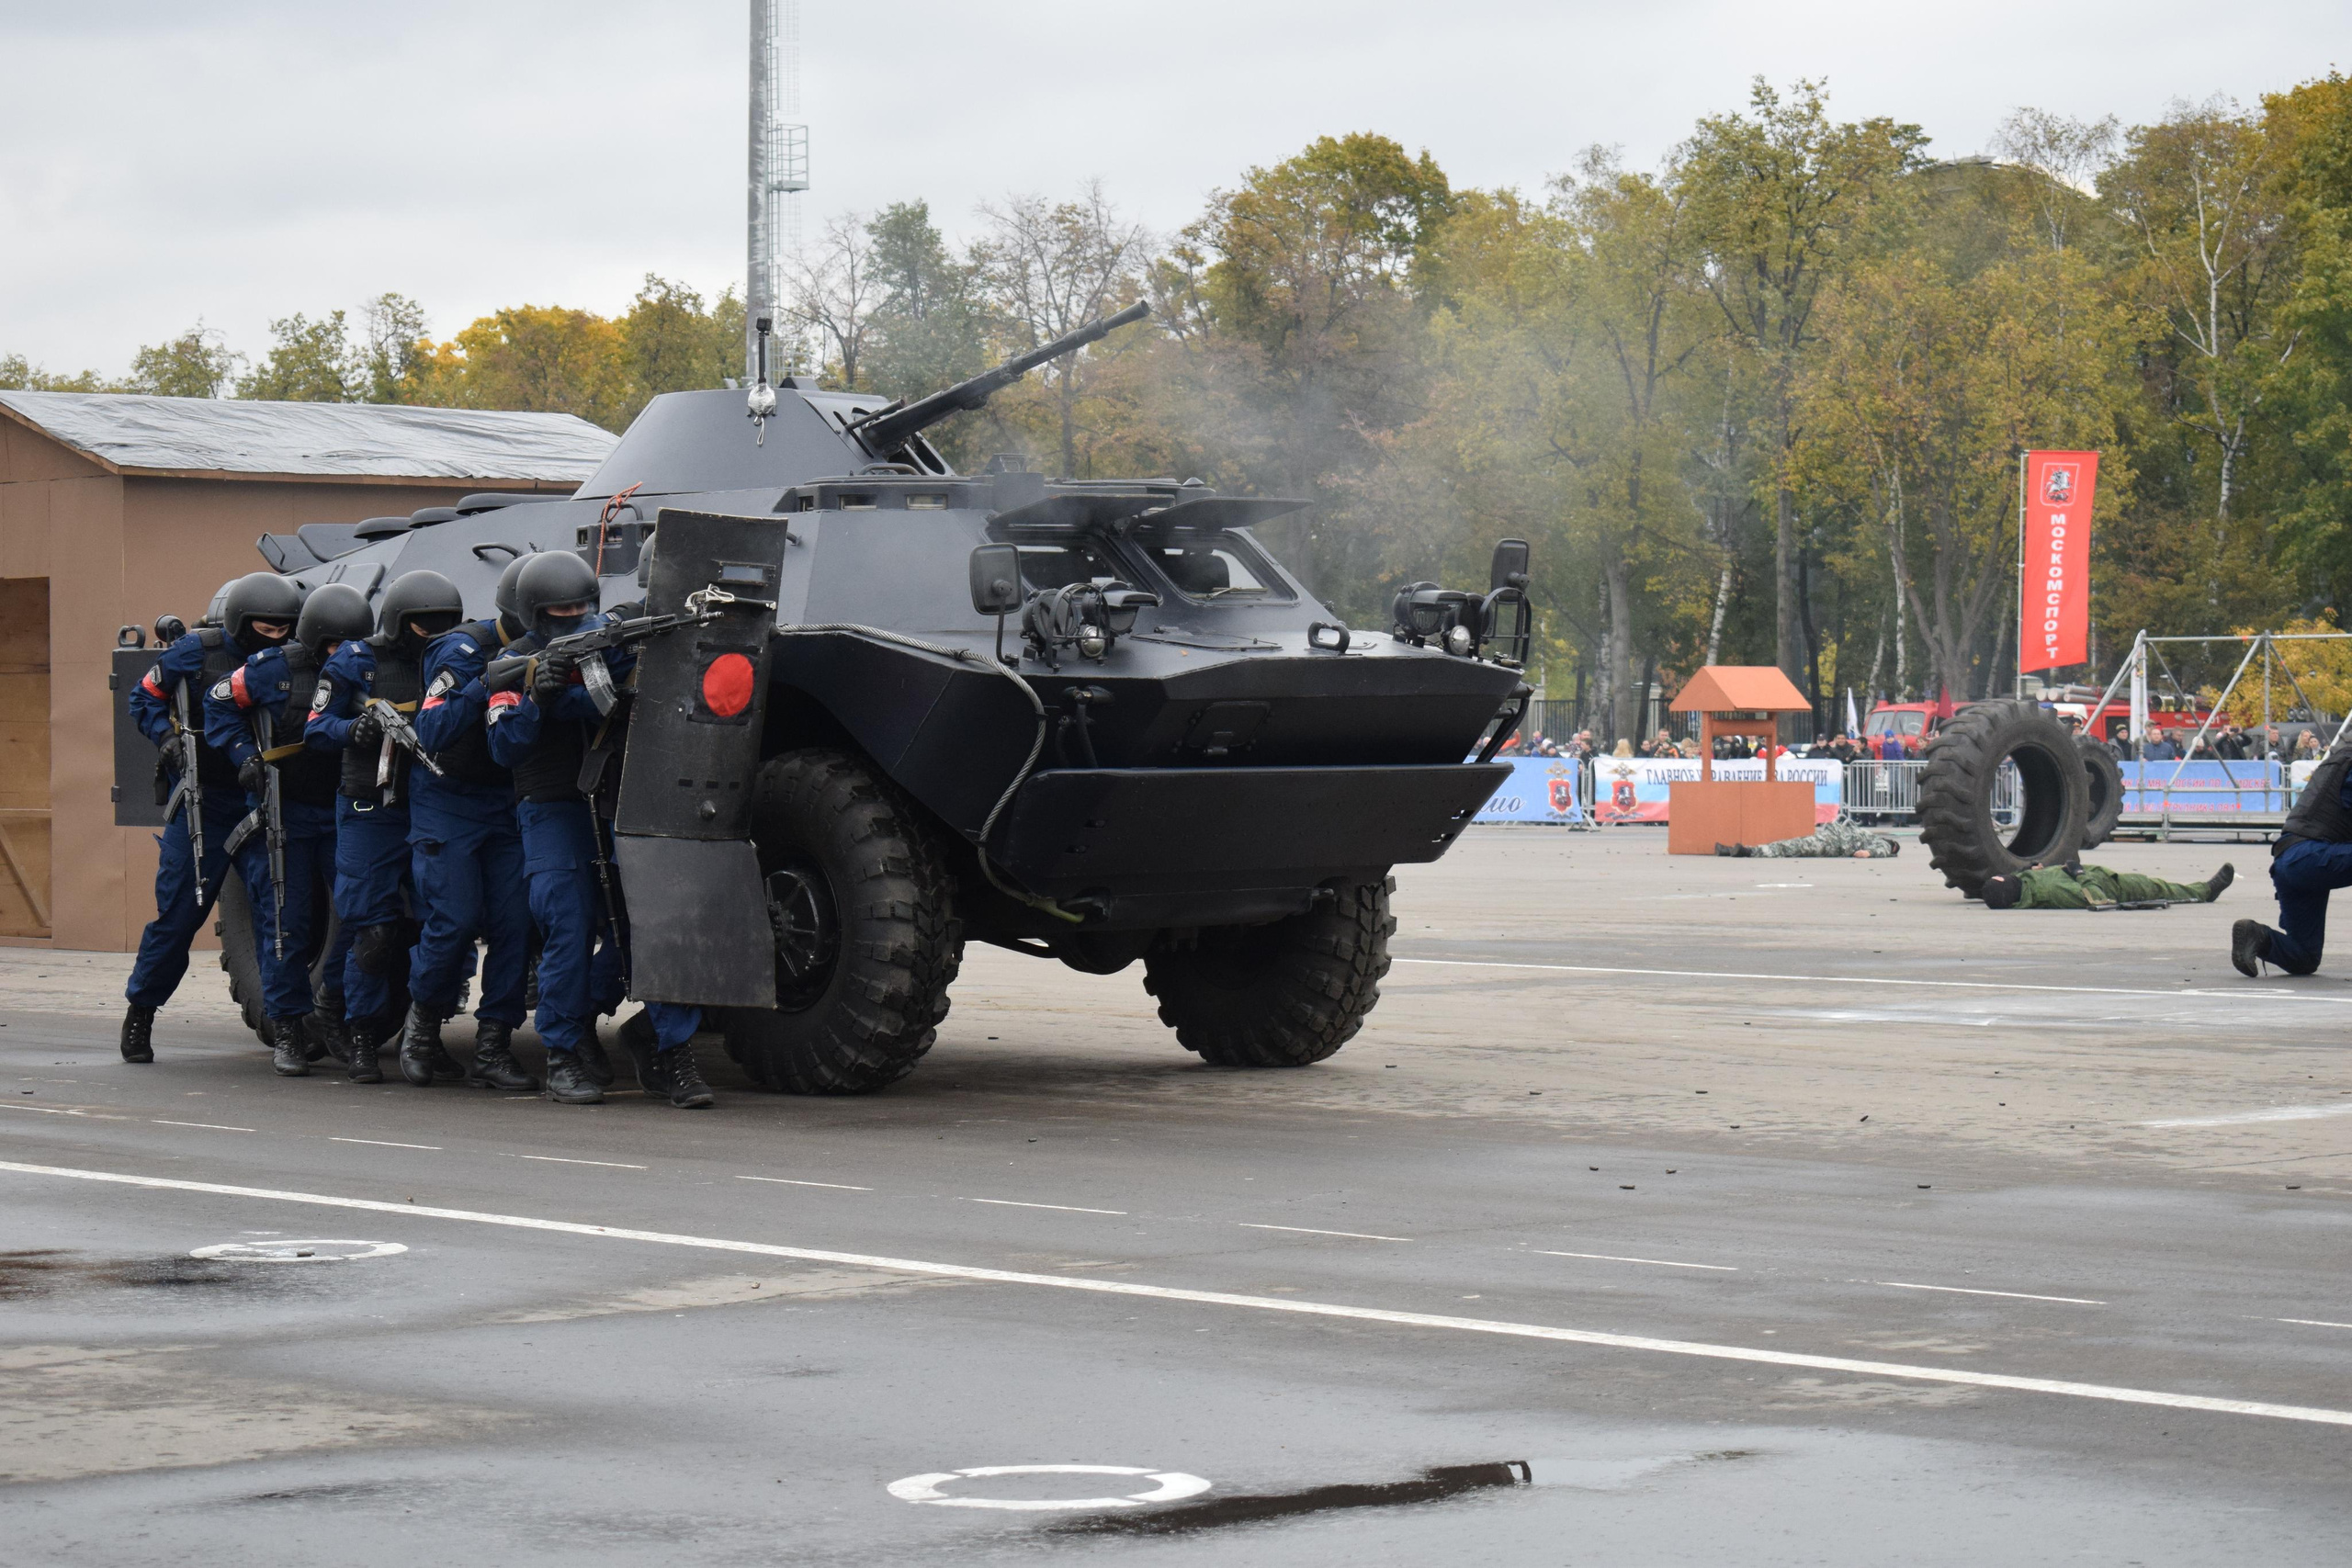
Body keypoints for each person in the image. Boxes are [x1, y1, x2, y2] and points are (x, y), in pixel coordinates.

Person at [486, 552, 710, 1108]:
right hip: (552, 807)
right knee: (568, 925)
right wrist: (539, 694)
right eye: (561, 612)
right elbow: (503, 744)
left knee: (648, 927)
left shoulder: (607, 638)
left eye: (583, 607)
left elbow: (609, 695)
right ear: (534, 614)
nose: (576, 618)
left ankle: (670, 1048)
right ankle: (563, 1053)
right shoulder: (514, 662)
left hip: (617, 801)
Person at [204, 581, 374, 1076]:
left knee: (364, 913)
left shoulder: (368, 667)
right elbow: (218, 702)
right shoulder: (273, 669)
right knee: (286, 922)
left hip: (345, 811)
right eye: (334, 645)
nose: (344, 654)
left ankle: (334, 1011)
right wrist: (244, 757)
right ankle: (288, 1029)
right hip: (287, 812)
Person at [119, 576, 289, 1064]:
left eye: (285, 630)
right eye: (266, 628)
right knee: (179, 916)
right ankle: (142, 1011)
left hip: (264, 801)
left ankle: (284, 1022)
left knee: (275, 913)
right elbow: (145, 697)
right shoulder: (196, 651)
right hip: (204, 802)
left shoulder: (291, 657)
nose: (276, 638)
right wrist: (166, 738)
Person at [306, 570, 466, 1084]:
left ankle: (428, 1032)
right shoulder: (356, 660)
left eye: (443, 626)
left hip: (430, 803)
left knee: (436, 925)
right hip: (369, 806)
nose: (433, 634)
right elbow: (316, 730)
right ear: (399, 622)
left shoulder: (450, 658)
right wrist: (357, 727)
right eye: (423, 626)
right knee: (372, 929)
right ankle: (359, 1033)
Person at [401, 556, 538, 1091]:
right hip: (449, 799)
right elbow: (431, 728)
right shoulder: (458, 650)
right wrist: (486, 682)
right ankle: (424, 1025)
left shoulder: (556, 642)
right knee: (453, 921)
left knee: (515, 924)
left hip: (509, 800)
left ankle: (494, 1042)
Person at [2233, 721, 2352, 976]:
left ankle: (2259, 936)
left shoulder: (2338, 759)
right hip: (2310, 856)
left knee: (2305, 957)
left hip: (2290, 861)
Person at [1983, 860, 2232, 909]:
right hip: (2113, 887)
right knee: (2160, 888)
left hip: (2103, 874)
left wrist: (2029, 869)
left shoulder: (2023, 884)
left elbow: (2017, 876)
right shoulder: (2052, 893)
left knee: (2158, 883)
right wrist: (2080, 874)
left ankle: (2202, 890)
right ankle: (2205, 891)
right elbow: (2097, 899)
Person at [1715, 818, 1901, 858]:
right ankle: (1739, 850)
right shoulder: (1867, 835)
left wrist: (1867, 853)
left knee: (1789, 847)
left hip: (1831, 842)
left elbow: (1878, 850)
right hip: (1829, 839)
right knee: (1789, 845)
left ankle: (1747, 851)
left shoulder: (1879, 842)